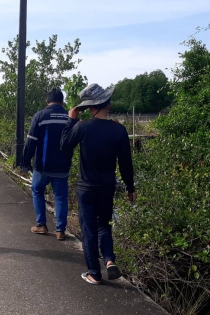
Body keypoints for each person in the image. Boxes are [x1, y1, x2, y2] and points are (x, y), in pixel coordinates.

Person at [60, 83, 137, 284]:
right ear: (108, 104)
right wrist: (130, 188)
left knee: (89, 230)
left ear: (89, 107)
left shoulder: (82, 127)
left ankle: (94, 273)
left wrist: (71, 120)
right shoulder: (119, 130)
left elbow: (64, 146)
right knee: (104, 225)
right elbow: (126, 163)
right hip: (107, 187)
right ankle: (109, 260)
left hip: (86, 188)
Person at [22, 88, 72, 240]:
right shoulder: (69, 117)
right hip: (62, 166)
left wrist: (25, 162)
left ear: (47, 101)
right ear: (62, 101)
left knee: (37, 191)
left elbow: (31, 141)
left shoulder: (40, 116)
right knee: (60, 197)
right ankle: (60, 231)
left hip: (42, 167)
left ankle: (41, 225)